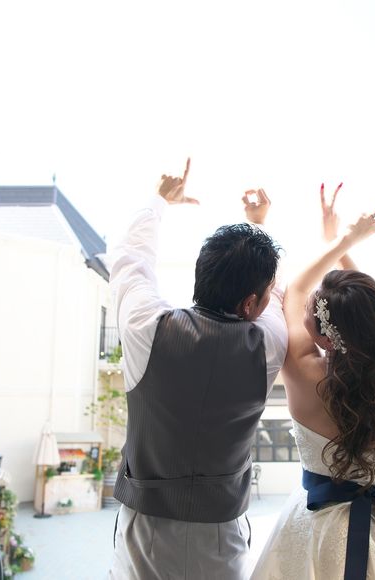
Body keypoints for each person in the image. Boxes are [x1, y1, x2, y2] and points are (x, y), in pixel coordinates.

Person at [251, 184, 375, 579]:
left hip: (318, 532)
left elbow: (295, 288)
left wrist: (344, 240)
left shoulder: (304, 372)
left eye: (311, 313)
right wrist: (342, 242)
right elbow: (374, 315)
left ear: (327, 339)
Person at [108, 159, 288, 580]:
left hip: (144, 534)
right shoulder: (269, 344)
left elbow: (130, 260)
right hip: (221, 537)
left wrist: (158, 201)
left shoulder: (146, 328)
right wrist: (258, 224)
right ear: (250, 304)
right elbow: (276, 294)